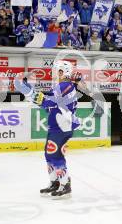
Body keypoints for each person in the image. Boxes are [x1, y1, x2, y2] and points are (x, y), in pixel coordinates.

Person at [24, 61, 80, 198]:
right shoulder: (61, 86)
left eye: (57, 71)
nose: (55, 74)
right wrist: (34, 94)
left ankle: (65, 184)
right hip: (56, 126)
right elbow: (48, 102)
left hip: (62, 127)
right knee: (49, 155)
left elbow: (49, 101)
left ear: (63, 72)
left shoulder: (65, 85)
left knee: (55, 155)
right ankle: (55, 181)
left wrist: (31, 94)